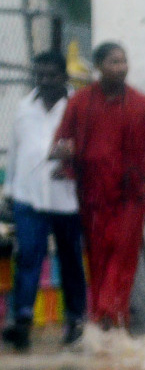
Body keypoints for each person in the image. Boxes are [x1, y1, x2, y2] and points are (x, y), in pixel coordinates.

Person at [51, 41, 145, 333]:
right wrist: (62, 156)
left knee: (122, 257)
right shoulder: (80, 103)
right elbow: (60, 144)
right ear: (98, 66)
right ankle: (109, 324)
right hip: (93, 198)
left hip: (131, 199)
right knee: (98, 261)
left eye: (123, 61)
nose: (120, 68)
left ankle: (107, 317)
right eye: (113, 62)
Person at [2, 51, 86, 350]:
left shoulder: (78, 106)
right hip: (29, 196)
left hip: (67, 199)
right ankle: (21, 321)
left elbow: (89, 147)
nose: (44, 81)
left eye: (51, 75)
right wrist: (10, 190)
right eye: (39, 75)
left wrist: (73, 155)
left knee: (70, 259)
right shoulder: (24, 107)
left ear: (63, 76)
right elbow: (15, 151)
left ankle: (75, 319)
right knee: (28, 257)